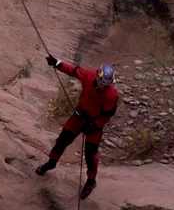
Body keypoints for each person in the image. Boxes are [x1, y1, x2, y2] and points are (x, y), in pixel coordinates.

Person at [36, 54, 119, 199]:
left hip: (95, 123)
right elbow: (73, 71)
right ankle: (51, 163)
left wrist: (94, 125)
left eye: (106, 84)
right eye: (102, 83)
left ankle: (91, 181)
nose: (103, 86)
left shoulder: (111, 95)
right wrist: (57, 63)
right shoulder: (88, 76)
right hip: (79, 116)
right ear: (97, 78)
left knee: (90, 155)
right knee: (62, 141)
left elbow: (107, 115)